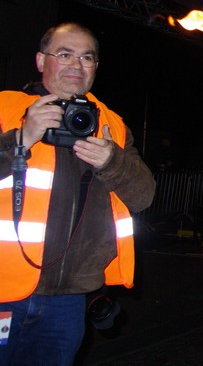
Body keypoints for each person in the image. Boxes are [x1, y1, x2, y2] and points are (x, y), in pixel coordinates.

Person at [0, 22, 155, 366]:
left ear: (96, 66)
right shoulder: (5, 108)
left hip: (67, 301)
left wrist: (112, 162)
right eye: (64, 54)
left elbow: (144, 196)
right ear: (41, 60)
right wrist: (21, 139)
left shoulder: (111, 124)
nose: (76, 65)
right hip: (3, 290)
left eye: (87, 57)